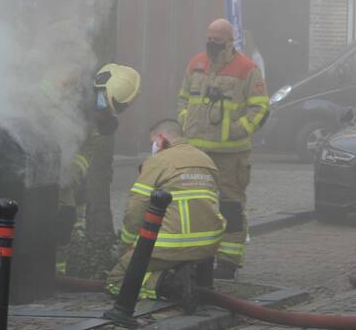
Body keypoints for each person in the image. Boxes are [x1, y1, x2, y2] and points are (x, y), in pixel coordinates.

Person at [177, 18, 268, 280]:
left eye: (218, 38)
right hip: (196, 152)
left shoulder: (247, 69)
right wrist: (186, 120)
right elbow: (183, 98)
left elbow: (260, 108)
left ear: (230, 41)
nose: (212, 42)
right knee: (196, 205)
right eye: (209, 37)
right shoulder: (195, 64)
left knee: (230, 207)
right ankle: (196, 256)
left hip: (231, 155)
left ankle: (228, 261)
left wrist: (235, 130)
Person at [106, 119, 226, 300]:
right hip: (208, 247)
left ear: (161, 138)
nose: (152, 147)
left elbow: (136, 209)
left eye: (152, 141)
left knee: (116, 280)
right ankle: (183, 272)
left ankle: (169, 285)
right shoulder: (206, 159)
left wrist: (126, 246)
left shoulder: (158, 161)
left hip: (168, 247)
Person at [57, 63, 141, 240]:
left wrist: (69, 176)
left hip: (58, 177)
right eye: (104, 104)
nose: (104, 111)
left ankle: (58, 267)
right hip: (28, 157)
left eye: (110, 109)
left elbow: (84, 152)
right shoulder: (65, 86)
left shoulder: (95, 123)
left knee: (64, 217)